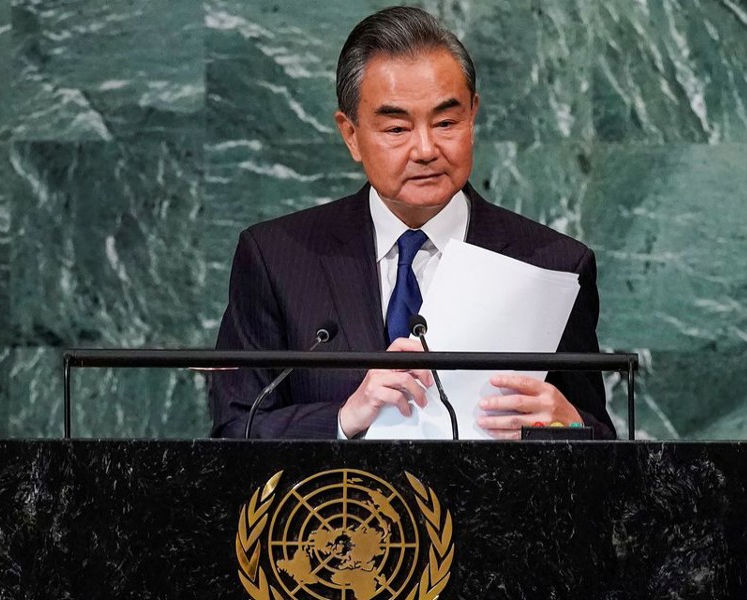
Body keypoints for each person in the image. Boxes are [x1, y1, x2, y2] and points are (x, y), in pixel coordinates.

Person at [209, 6, 615, 440]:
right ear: (351, 134)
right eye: (397, 129)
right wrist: (346, 418)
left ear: (473, 116)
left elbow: (602, 453)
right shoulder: (277, 259)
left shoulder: (554, 266)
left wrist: (567, 426)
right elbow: (235, 431)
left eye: (445, 122)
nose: (425, 149)